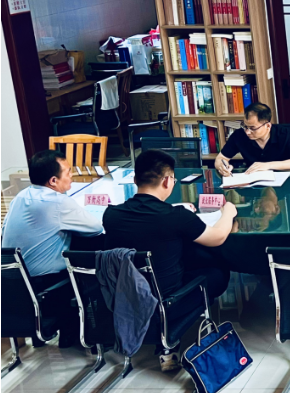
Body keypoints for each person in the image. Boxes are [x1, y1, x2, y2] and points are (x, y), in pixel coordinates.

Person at [103, 150, 237, 371]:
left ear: (135, 180)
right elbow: (217, 237)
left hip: (126, 298)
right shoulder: (176, 217)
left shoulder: (111, 215)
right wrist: (228, 213)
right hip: (167, 303)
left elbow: (145, 220)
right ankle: (170, 334)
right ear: (167, 181)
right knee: (217, 272)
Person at [2, 150, 103, 347]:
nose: (72, 175)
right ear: (53, 181)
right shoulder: (58, 202)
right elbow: (96, 228)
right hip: (45, 287)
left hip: (12, 284)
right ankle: (79, 336)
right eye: (68, 171)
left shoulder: (20, 197)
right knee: (88, 260)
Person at [215, 102, 290, 177]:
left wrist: (268, 165)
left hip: (285, 181)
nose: (247, 132)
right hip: (253, 183)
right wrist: (223, 167)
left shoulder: (284, 133)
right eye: (245, 126)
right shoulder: (239, 135)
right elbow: (221, 158)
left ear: (268, 126)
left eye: (252, 128)